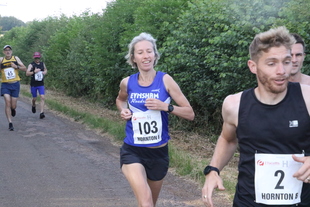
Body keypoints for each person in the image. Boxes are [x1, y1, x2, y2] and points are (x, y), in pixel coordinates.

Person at [201, 26, 310, 207]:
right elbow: (228, 140)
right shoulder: (234, 105)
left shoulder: (307, 98)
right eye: (272, 63)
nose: (282, 70)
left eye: (287, 61)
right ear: (253, 66)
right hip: (248, 201)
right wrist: (213, 170)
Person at [116, 32, 195, 207]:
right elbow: (120, 100)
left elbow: (190, 113)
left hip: (159, 153)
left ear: (155, 55)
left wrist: (166, 107)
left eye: (149, 51)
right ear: (133, 58)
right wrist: (123, 111)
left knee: (150, 202)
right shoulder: (127, 83)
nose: (146, 56)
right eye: (141, 52)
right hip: (133, 150)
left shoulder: (166, 81)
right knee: (146, 201)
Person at [0, 45, 27, 131]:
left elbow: (25, 69)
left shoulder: (16, 58)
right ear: (4, 52)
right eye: (6, 50)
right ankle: (10, 123)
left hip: (15, 84)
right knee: (7, 102)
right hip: (5, 84)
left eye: (9, 50)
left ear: (11, 51)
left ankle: (13, 109)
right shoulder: (1, 60)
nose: (8, 51)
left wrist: (17, 67)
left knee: (13, 105)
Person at [26, 52, 47, 119]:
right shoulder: (31, 65)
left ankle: (41, 113)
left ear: (40, 57)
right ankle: (33, 105)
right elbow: (27, 73)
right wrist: (34, 72)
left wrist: (44, 72)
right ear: (34, 57)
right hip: (34, 84)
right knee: (34, 98)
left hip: (41, 84)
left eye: (38, 57)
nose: (37, 59)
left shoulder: (42, 64)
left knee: (42, 97)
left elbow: (46, 69)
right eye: (36, 58)